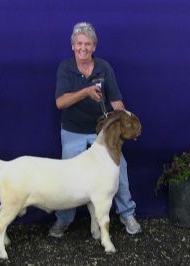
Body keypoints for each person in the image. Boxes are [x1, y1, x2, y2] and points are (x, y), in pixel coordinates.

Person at [49, 22, 142, 238]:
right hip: (73, 130)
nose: (83, 48)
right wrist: (85, 92)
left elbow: (116, 101)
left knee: (120, 170)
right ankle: (64, 219)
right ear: (72, 46)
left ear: (94, 47)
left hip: (103, 133)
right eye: (79, 43)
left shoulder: (104, 67)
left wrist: (124, 120)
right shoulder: (65, 67)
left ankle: (127, 213)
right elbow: (60, 103)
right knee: (68, 176)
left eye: (88, 44)